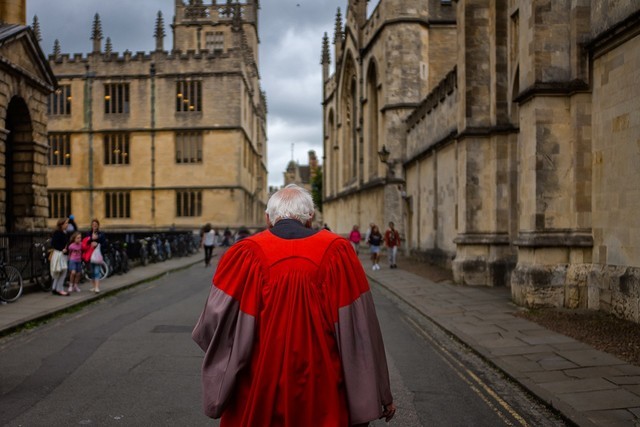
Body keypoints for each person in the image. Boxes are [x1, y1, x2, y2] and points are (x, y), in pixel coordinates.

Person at [192, 184, 396, 426]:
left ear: (268, 218)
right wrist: (381, 392)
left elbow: (211, 326)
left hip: (258, 389)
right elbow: (362, 333)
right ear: (310, 217)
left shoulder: (243, 254)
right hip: (322, 394)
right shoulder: (338, 252)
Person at [82, 219, 107, 293]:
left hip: (97, 255)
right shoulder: (88, 234)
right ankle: (94, 286)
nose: (94, 226)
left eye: (96, 224)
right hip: (89, 255)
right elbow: (85, 242)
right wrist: (91, 240)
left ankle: (97, 287)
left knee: (96, 271)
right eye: (93, 224)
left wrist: (97, 243)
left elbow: (105, 244)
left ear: (98, 226)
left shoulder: (101, 234)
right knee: (91, 272)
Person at [50, 218, 70, 296]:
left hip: (63, 255)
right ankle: (60, 289)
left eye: (67, 223)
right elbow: (54, 244)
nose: (67, 224)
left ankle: (54, 288)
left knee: (59, 272)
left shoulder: (65, 233)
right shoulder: (58, 233)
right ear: (61, 225)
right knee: (62, 272)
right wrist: (62, 249)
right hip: (59, 254)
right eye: (66, 223)